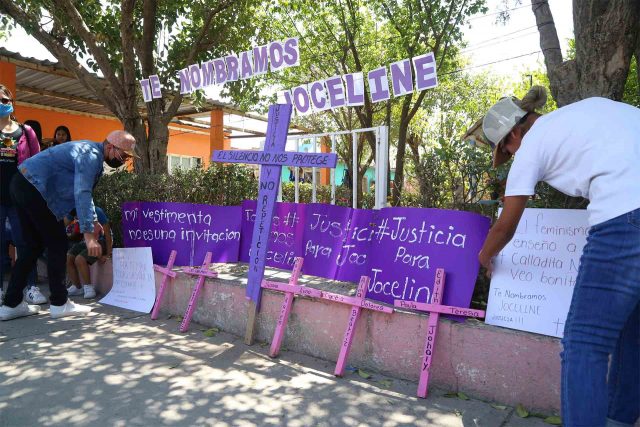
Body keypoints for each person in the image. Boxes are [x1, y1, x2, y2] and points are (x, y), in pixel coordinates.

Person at [476, 86, 640, 427]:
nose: (509, 155)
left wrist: (483, 259)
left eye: (505, 148)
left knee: (584, 343)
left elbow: (504, 228)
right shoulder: (584, 109)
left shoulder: (530, 146)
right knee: (632, 331)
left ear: (515, 132)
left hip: (626, 214)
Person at [0, 130, 139, 320]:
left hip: (21, 183)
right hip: (33, 188)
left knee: (32, 247)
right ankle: (59, 303)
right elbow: (82, 192)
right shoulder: (91, 155)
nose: (124, 160)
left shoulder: (89, 151)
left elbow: (80, 193)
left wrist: (94, 221)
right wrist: (89, 237)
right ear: (109, 146)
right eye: (123, 155)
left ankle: (11, 304)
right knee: (57, 243)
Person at [0, 85, 45, 305]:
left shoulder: (26, 132)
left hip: (20, 200)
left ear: (12, 102)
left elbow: (38, 164)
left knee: (25, 244)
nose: (2, 103)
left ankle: (31, 288)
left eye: (5, 99)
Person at [65, 206, 112, 299]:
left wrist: (108, 253)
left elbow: (108, 233)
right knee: (69, 257)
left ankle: (88, 287)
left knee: (79, 259)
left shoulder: (97, 211)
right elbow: (65, 224)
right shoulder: (75, 210)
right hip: (87, 241)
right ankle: (77, 287)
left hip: (101, 241)